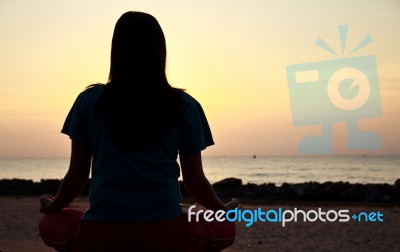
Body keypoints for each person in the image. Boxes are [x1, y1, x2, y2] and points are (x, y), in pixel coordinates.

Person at [39, 11, 238, 252]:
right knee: (224, 225)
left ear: (116, 51)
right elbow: (195, 182)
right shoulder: (184, 105)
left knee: (50, 223)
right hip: (166, 234)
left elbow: (77, 176)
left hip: (102, 235)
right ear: (160, 53)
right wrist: (222, 210)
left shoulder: (88, 101)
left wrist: (53, 206)